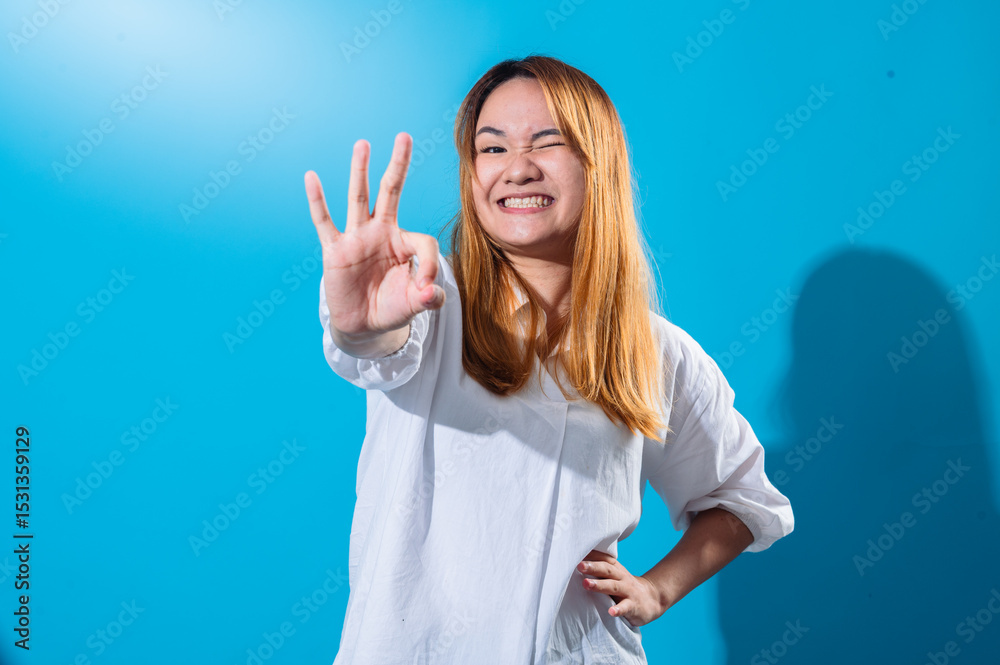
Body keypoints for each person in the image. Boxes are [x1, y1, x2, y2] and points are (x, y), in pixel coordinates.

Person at [304, 55, 794, 665]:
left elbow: (744, 498)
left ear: (599, 163)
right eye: (492, 149)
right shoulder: (428, 303)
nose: (517, 169)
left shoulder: (659, 352)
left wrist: (656, 589)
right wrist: (359, 324)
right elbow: (372, 350)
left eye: (547, 142)